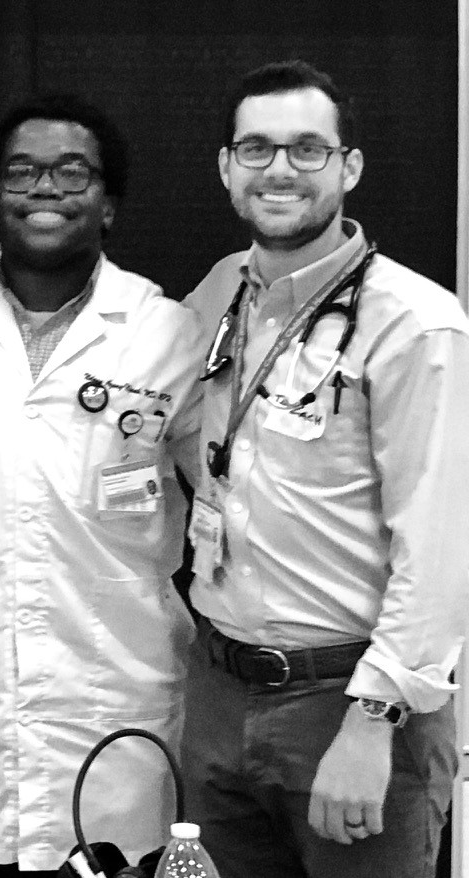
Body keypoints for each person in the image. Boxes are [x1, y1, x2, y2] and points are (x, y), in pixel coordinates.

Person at [0, 95, 201, 875]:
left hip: (114, 708)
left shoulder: (168, 332)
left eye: (72, 173)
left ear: (109, 203)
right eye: (23, 171)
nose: (45, 189)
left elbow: (231, 493)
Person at [179, 59, 467, 877]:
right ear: (227, 167)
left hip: (347, 705)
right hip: (219, 690)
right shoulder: (218, 293)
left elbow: (441, 547)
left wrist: (375, 719)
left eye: (308, 150)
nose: (279, 170)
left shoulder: (415, 324)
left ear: (350, 168)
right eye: (257, 148)